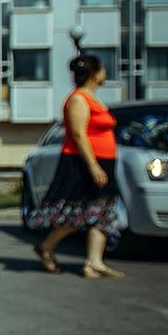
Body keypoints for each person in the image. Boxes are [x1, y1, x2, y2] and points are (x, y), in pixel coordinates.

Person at [26, 52, 125, 278]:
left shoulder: (93, 98)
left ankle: (94, 262)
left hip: (104, 162)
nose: (105, 73)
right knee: (77, 214)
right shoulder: (78, 99)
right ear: (95, 74)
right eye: (102, 69)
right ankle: (46, 247)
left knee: (103, 212)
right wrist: (92, 167)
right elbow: (79, 135)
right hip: (83, 163)